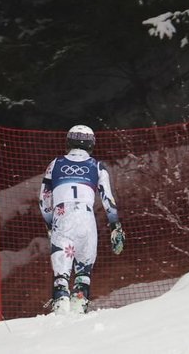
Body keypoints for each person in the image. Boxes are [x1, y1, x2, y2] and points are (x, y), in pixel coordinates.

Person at [39, 124, 124, 314]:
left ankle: (60, 304)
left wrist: (50, 224)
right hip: (86, 218)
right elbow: (108, 200)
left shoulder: (55, 163)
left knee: (61, 274)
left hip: (62, 216)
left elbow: (44, 199)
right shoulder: (97, 166)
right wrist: (115, 227)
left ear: (69, 141)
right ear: (91, 144)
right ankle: (80, 303)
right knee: (83, 271)